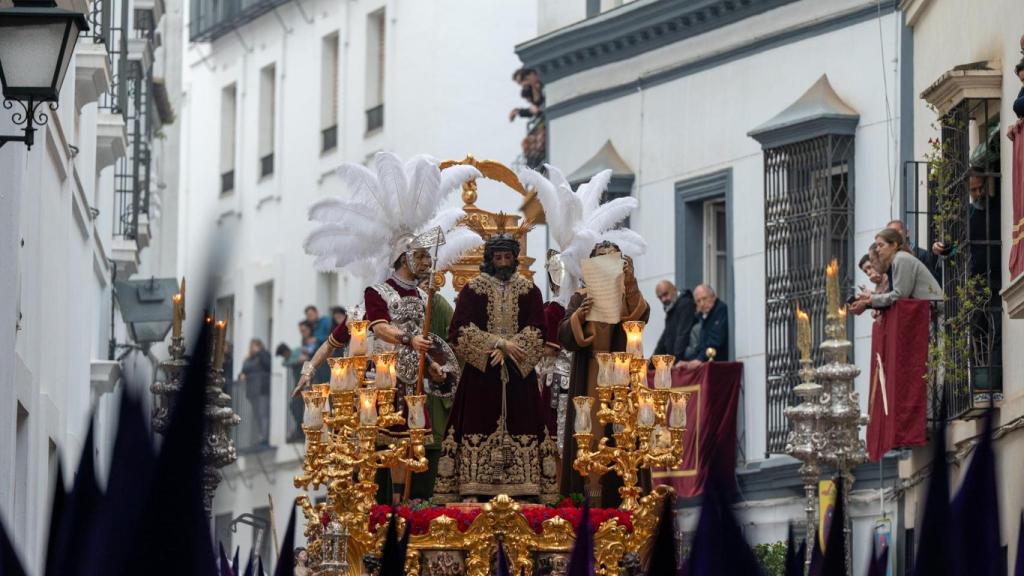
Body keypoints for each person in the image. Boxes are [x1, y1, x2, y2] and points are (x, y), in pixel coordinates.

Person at [433, 231, 558, 504]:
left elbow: (538, 330)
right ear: (490, 259)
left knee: (522, 421)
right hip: (482, 374)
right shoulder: (473, 289)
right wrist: (497, 344)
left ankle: (525, 486)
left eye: (507, 257)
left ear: (514, 258)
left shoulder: (529, 291)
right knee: (478, 422)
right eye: (498, 257)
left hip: (518, 375)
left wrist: (513, 349)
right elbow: (459, 329)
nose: (502, 262)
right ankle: (472, 485)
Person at [558, 241, 651, 506]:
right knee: (590, 432)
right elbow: (564, 334)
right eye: (601, 258)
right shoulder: (581, 297)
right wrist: (579, 316)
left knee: (622, 433)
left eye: (613, 258)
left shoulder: (626, 295)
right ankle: (588, 499)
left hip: (622, 375)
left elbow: (641, 317)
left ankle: (624, 497)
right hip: (591, 374)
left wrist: (630, 283)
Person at [850, 228, 943, 313]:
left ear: (894, 245)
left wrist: (870, 299)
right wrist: (870, 299)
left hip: (934, 312)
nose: (877, 249)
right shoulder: (897, 260)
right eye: (877, 246)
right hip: (927, 311)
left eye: (881, 245)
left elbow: (900, 296)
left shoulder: (901, 259)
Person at [536, 250, 573, 453]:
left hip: (560, 376)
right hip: (573, 375)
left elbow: (548, 349)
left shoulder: (554, 309)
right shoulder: (575, 306)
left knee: (557, 434)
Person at [678, 284, 729, 370]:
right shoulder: (704, 316)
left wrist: (699, 359)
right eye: (698, 301)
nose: (702, 304)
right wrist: (689, 362)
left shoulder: (721, 310)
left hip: (722, 365)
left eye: (704, 298)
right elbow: (702, 345)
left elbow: (715, 340)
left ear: (713, 297)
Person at [652, 280, 695, 361]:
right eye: (660, 297)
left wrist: (675, 360)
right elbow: (664, 339)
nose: (663, 299)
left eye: (665, 294)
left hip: (686, 360)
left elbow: (683, 335)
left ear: (674, 289)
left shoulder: (685, 304)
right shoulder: (671, 308)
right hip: (680, 360)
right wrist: (651, 363)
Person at [239, 339, 272, 446]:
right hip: (252, 391)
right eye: (251, 346)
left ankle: (264, 439)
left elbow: (268, 365)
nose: (251, 348)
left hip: (262, 389)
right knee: (257, 416)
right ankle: (260, 438)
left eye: (253, 346)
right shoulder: (248, 359)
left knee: (263, 414)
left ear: (259, 346)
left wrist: (260, 352)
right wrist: (241, 375)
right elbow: (243, 370)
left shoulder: (264, 355)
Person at [276, 342, 305, 442]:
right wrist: (296, 361)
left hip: (304, 384)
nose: (284, 357)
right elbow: (284, 363)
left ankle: (301, 429)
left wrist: (298, 360)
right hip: (299, 386)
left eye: (283, 355)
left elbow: (306, 358)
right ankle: (299, 428)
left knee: (297, 406)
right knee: (294, 406)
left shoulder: (298, 351)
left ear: (285, 352)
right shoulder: (291, 358)